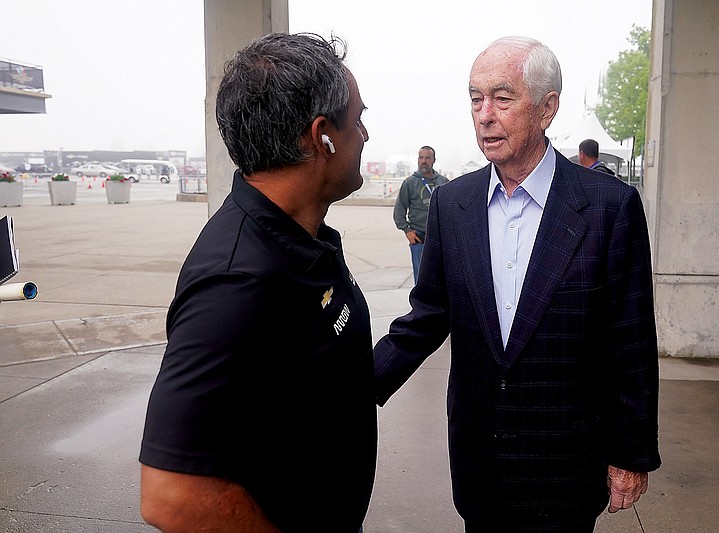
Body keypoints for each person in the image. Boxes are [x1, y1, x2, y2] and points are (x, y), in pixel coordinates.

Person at [374, 36, 661, 532]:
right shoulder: (453, 205)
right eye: (475, 98)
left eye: (502, 98)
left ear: (547, 108)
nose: (484, 114)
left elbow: (630, 342)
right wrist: (350, 385)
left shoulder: (609, 208)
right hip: (480, 462)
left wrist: (630, 454)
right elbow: (427, 317)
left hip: (566, 466)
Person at [139, 32, 376, 533]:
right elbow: (171, 494)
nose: (366, 135)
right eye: (358, 120)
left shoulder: (302, 236)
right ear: (321, 136)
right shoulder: (239, 279)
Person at [392, 146, 448, 283]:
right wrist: (407, 230)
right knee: (422, 279)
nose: (424, 161)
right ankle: (420, 305)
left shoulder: (443, 182)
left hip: (440, 238)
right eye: (421, 157)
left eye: (427, 158)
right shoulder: (410, 183)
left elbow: (450, 209)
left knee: (441, 278)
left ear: (434, 160)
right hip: (419, 238)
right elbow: (399, 211)